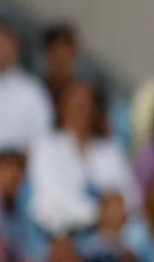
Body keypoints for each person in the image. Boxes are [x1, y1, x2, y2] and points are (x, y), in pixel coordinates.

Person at [28, 79, 135, 237]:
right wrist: (98, 214)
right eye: (76, 106)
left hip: (109, 233)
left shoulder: (110, 149)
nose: (82, 113)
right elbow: (52, 196)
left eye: (87, 107)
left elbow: (130, 192)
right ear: (63, 108)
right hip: (61, 234)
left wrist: (116, 210)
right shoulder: (47, 146)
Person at [0, 17, 54, 162]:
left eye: (6, 42)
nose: (1, 48)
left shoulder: (32, 89)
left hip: (17, 169)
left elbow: (43, 137)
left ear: (16, 47)